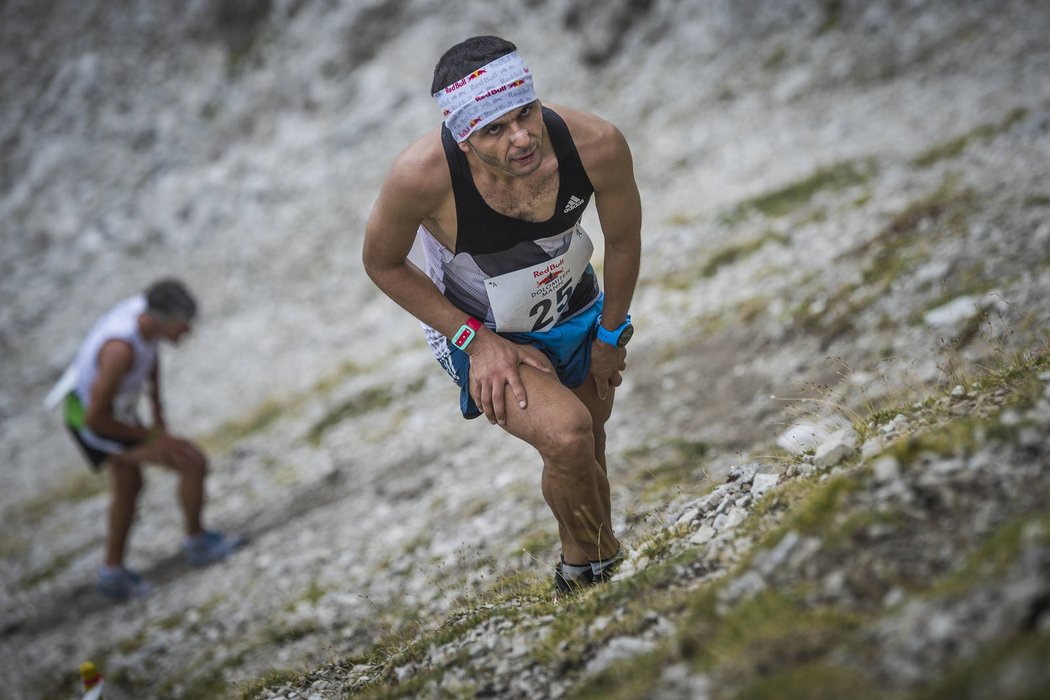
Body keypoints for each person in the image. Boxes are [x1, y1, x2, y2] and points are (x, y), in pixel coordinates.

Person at [362, 36, 642, 597]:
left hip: (574, 305)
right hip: (477, 330)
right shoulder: (420, 177)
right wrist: (477, 341)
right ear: (463, 139)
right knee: (565, 437)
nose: (521, 139)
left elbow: (625, 237)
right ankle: (611, 568)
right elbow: (381, 263)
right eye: (494, 129)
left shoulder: (595, 144)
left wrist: (612, 331)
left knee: (588, 445)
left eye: (526, 115)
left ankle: (578, 571)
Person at [57, 278, 242, 600]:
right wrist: (153, 435)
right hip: (94, 422)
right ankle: (196, 543)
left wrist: (156, 405)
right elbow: (96, 419)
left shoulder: (143, 319)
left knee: (130, 487)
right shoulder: (120, 350)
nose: (186, 333)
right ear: (163, 320)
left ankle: (112, 572)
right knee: (191, 461)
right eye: (183, 326)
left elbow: (151, 354)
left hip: (111, 414)